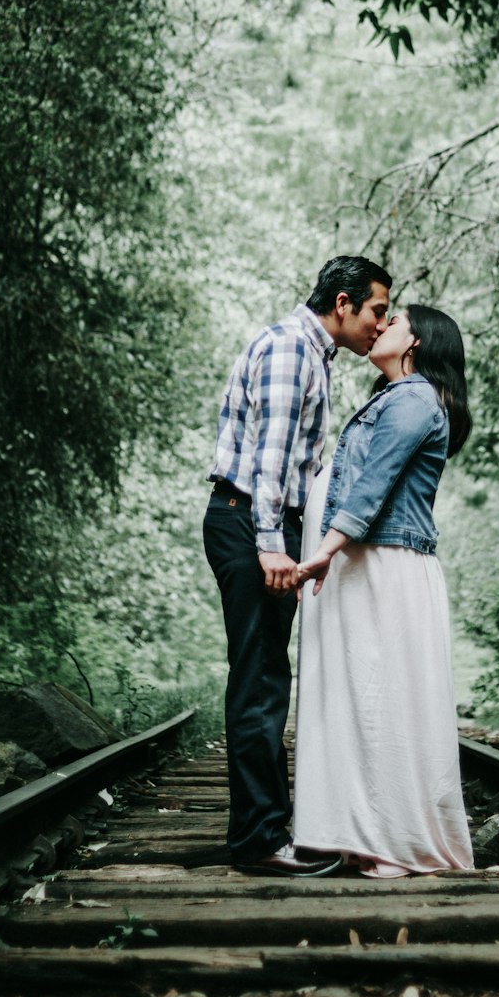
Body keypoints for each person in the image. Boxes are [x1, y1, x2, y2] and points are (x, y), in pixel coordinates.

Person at [203, 255, 392, 876]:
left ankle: (266, 828)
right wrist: (269, 545)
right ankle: (258, 841)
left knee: (264, 679)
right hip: (249, 523)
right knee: (259, 684)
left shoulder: (310, 354)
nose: (379, 324)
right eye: (376, 311)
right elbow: (270, 459)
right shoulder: (290, 350)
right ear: (343, 303)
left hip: (259, 523)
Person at [292, 304, 474, 877]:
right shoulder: (397, 397)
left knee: (382, 700)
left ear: (416, 342)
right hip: (364, 566)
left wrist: (320, 554)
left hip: (381, 567)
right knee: (361, 700)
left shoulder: (416, 399)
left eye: (390, 322)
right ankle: (365, 832)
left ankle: (394, 839)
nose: (378, 327)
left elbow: (372, 486)